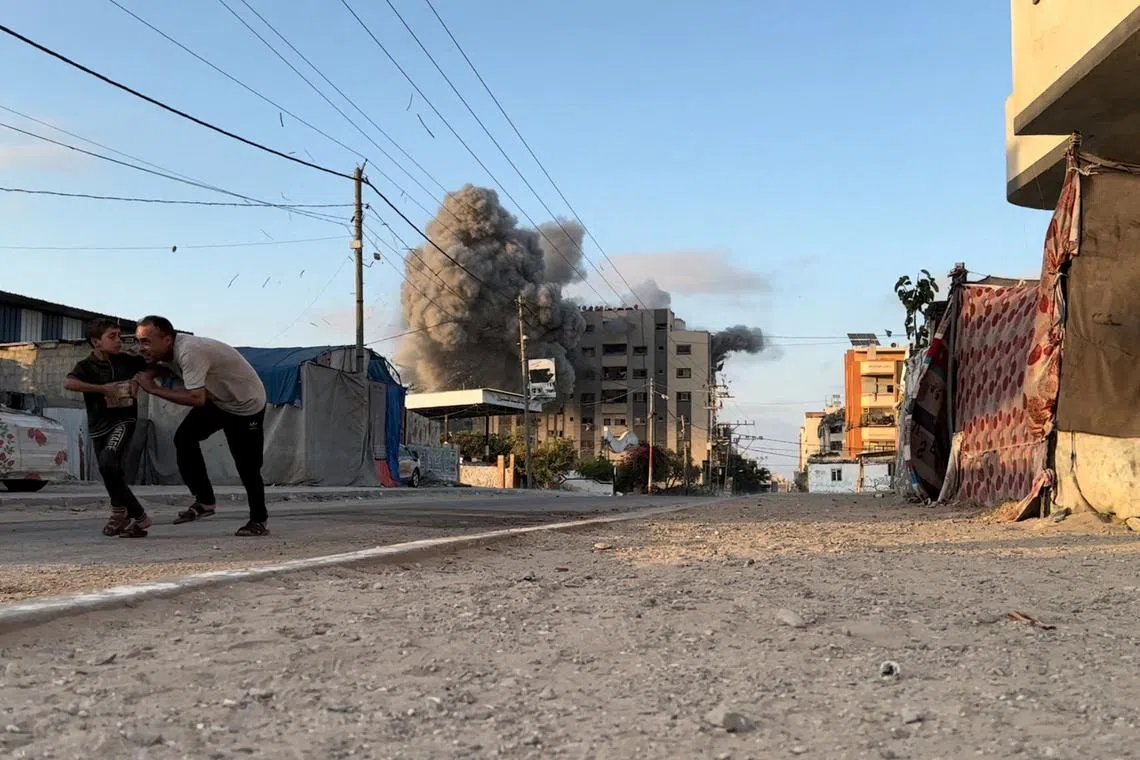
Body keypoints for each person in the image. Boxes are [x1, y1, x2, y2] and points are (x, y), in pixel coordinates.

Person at [133, 315, 270, 537]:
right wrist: (146, 375)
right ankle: (205, 501)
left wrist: (153, 389)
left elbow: (197, 399)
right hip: (219, 401)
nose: (141, 348)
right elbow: (156, 366)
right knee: (184, 438)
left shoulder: (190, 352)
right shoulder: (166, 351)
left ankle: (258, 520)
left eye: (146, 342)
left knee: (247, 466)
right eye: (139, 341)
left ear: (167, 339)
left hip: (245, 404)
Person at [64, 319, 152, 538]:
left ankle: (137, 515)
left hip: (123, 420)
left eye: (119, 336)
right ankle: (121, 513)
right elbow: (70, 383)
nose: (118, 341)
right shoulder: (86, 366)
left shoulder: (127, 360)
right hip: (98, 425)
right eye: (112, 337)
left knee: (108, 460)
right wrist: (103, 389)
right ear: (96, 342)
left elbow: (152, 368)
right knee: (109, 469)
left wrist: (138, 381)